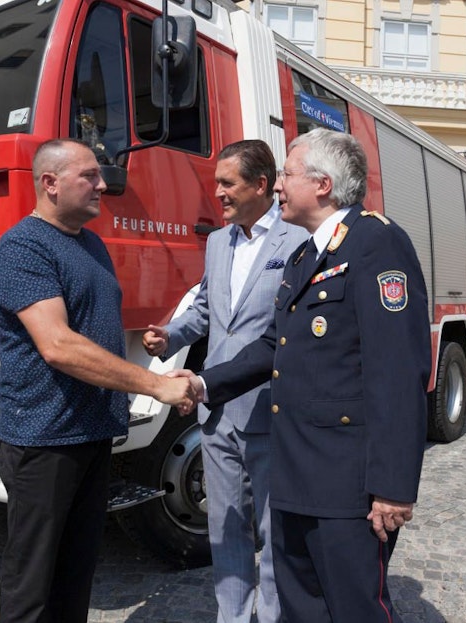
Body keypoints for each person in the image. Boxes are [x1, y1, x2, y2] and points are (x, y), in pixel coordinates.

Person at [177, 128, 431, 622]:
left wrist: (394, 485)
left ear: (322, 185)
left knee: (353, 606)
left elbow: (399, 371)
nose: (277, 187)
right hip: (295, 473)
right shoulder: (307, 255)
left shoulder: (376, 243)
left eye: (287, 175)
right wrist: (204, 384)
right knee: (300, 607)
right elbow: (274, 345)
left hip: (345, 483)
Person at [0, 138, 194, 623]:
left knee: (77, 572)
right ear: (50, 184)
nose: (104, 184)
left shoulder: (90, 242)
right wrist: (154, 385)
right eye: (89, 176)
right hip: (44, 440)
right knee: (33, 582)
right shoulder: (23, 247)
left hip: (91, 434)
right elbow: (57, 345)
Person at [143, 140, 304, 623]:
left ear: (261, 184)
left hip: (270, 408)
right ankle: (233, 617)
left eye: (227, 183)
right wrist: (170, 335)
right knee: (225, 525)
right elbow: (209, 311)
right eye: (217, 183)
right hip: (216, 414)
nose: (218, 194)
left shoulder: (298, 239)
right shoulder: (218, 241)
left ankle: (274, 615)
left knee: (274, 531)